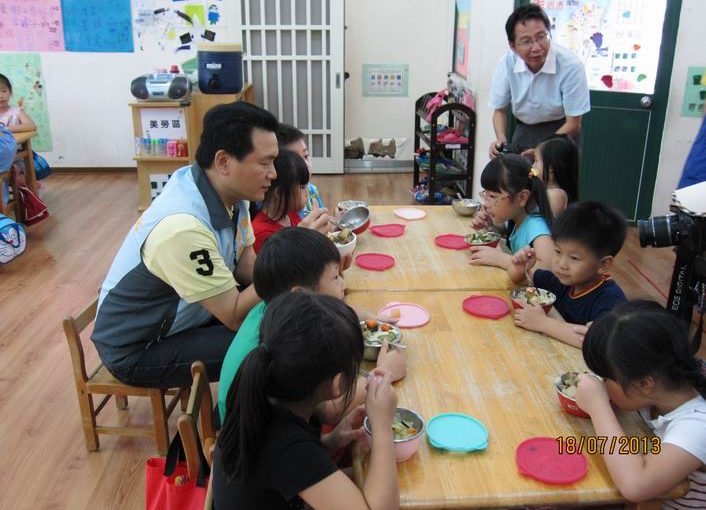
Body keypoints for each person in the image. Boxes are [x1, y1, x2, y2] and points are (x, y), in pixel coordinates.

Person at [92, 102, 278, 389]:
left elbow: (245, 263)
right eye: (264, 163)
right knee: (272, 343)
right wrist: (287, 270)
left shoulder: (230, 192)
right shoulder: (182, 226)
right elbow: (233, 314)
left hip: (191, 316)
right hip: (138, 347)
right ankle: (229, 428)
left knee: (281, 314)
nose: (273, 173)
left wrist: (294, 275)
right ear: (223, 162)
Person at [213, 292, 400, 510]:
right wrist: (382, 426)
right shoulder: (287, 445)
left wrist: (330, 442)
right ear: (337, 383)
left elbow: (282, 470)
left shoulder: (262, 392)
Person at [217, 227, 406, 421]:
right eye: (335, 277)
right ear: (300, 295)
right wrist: (383, 374)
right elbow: (330, 410)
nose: (343, 284)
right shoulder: (288, 347)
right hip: (257, 445)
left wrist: (363, 317)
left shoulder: (271, 309)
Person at [576, 301, 706, 507]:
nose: (602, 384)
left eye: (606, 379)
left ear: (645, 383)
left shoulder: (698, 425)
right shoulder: (662, 388)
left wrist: (598, 408)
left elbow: (635, 486)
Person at [509, 201, 627, 347]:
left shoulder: (610, 301)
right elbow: (521, 280)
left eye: (574, 258)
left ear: (603, 265)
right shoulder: (561, 280)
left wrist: (543, 323)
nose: (561, 264)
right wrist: (521, 268)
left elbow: (597, 342)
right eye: (558, 252)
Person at [488, 4, 590, 158]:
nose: (536, 47)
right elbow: (499, 110)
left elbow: (574, 122)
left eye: (541, 37)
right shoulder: (507, 63)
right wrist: (501, 139)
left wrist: (542, 150)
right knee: (520, 179)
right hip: (525, 129)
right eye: (526, 41)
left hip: (562, 131)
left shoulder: (570, 65)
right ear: (513, 46)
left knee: (555, 180)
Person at [469, 154, 554, 274]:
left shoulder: (538, 229)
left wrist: (502, 260)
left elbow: (547, 272)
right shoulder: (518, 216)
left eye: (493, 197)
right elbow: (511, 234)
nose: (486, 204)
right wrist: (489, 226)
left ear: (522, 198)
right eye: (485, 195)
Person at [252, 149, 331, 253]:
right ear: (280, 194)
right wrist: (306, 239)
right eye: (302, 187)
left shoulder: (289, 213)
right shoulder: (261, 233)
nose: (307, 191)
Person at [276, 123, 326, 218]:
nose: (305, 165)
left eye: (306, 156)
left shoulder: (311, 190)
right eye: (296, 160)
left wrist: (336, 222)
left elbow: (323, 218)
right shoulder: (279, 201)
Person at [533, 135, 579, 217]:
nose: (533, 165)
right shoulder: (545, 191)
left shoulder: (556, 195)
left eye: (536, 160)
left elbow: (545, 223)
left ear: (552, 168)